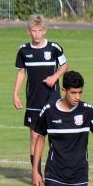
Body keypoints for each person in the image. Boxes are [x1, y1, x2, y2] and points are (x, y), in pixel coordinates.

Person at [13, 13, 69, 177]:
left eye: (40, 30)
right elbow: (21, 73)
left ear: (44, 31)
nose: (37, 34)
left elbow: (65, 66)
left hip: (52, 100)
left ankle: (56, 173)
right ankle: (36, 174)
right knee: (34, 137)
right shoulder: (23, 50)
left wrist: (54, 77)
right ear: (28, 31)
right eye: (34, 31)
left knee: (55, 136)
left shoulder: (54, 48)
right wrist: (15, 94)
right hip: (33, 101)